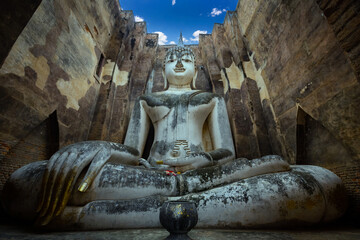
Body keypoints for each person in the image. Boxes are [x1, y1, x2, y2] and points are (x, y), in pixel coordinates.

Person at [1, 37, 346, 229]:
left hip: (207, 176)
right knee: (34, 180)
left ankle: (95, 217)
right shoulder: (147, 99)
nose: (179, 62)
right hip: (151, 176)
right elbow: (133, 152)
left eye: (186, 58)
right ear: (163, 67)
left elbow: (228, 152)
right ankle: (182, 204)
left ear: (195, 68)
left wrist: (204, 158)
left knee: (310, 181)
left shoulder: (211, 99)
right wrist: (100, 149)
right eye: (172, 58)